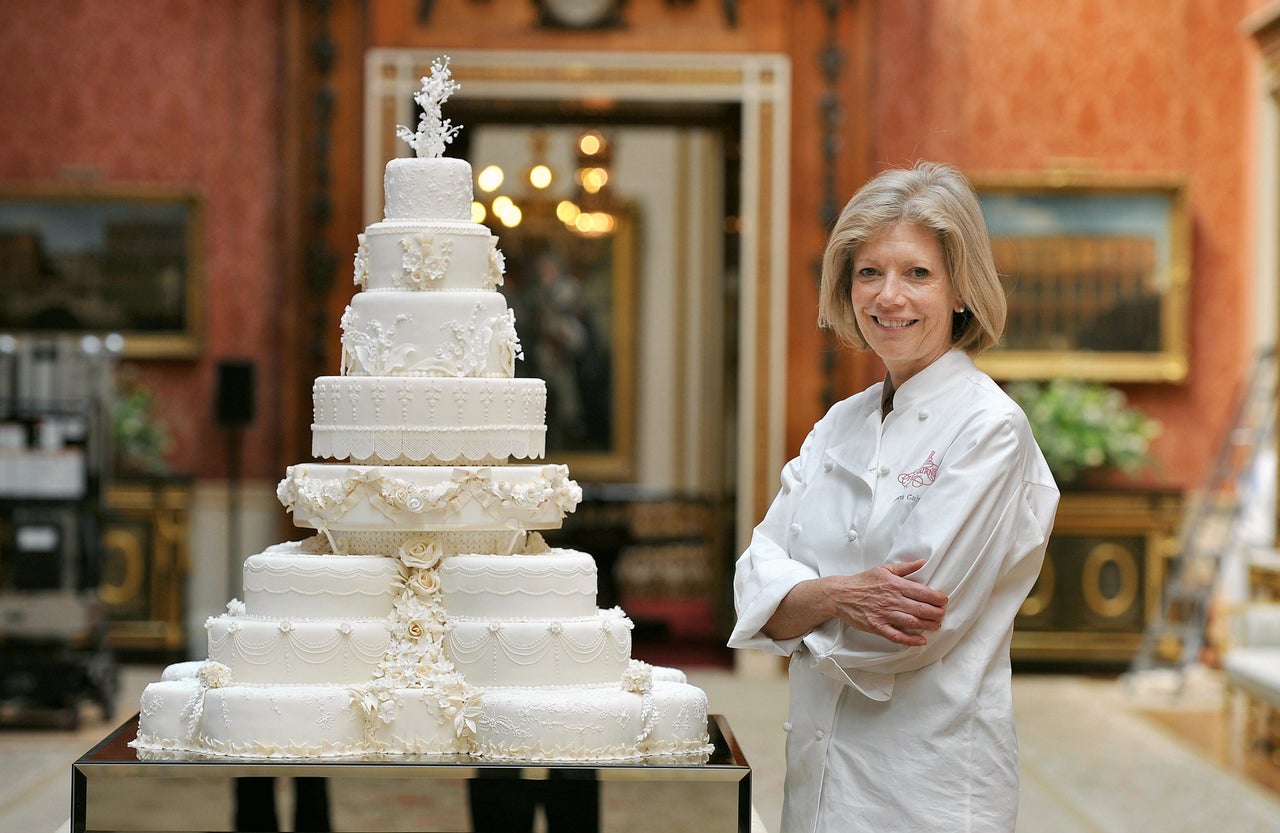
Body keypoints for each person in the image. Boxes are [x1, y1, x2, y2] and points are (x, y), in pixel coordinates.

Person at [729, 160, 1059, 832]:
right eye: (868, 272)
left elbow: (908, 630)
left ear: (961, 289)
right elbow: (750, 579)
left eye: (917, 273)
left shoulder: (990, 428)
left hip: (927, 787)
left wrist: (797, 603)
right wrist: (841, 595)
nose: (889, 297)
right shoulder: (838, 423)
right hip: (817, 780)